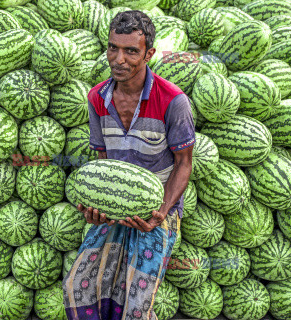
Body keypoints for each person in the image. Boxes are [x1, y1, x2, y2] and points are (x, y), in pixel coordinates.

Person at [62, 10, 195, 320]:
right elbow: (103, 161)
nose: (118, 59)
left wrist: (161, 211)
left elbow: (184, 163)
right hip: (113, 206)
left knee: (136, 301)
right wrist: (96, 205)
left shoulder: (173, 101)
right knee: (78, 288)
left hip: (156, 211)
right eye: (113, 48)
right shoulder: (97, 98)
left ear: (149, 53)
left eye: (131, 51)